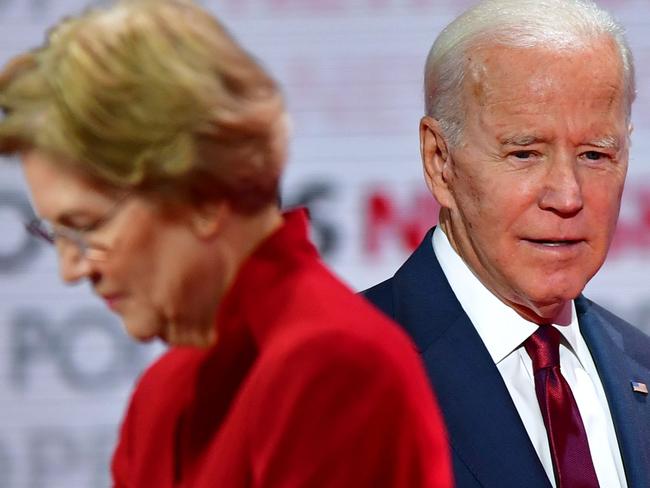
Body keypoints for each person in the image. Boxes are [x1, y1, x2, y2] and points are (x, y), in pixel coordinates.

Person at [0, 0, 453, 486]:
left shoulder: (333, 369)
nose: (71, 269)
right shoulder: (164, 393)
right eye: (55, 234)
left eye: (87, 226)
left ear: (204, 195)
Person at [363, 0, 650, 487]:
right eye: (525, 153)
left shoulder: (640, 365)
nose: (567, 195)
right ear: (439, 161)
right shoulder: (326, 381)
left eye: (595, 154)